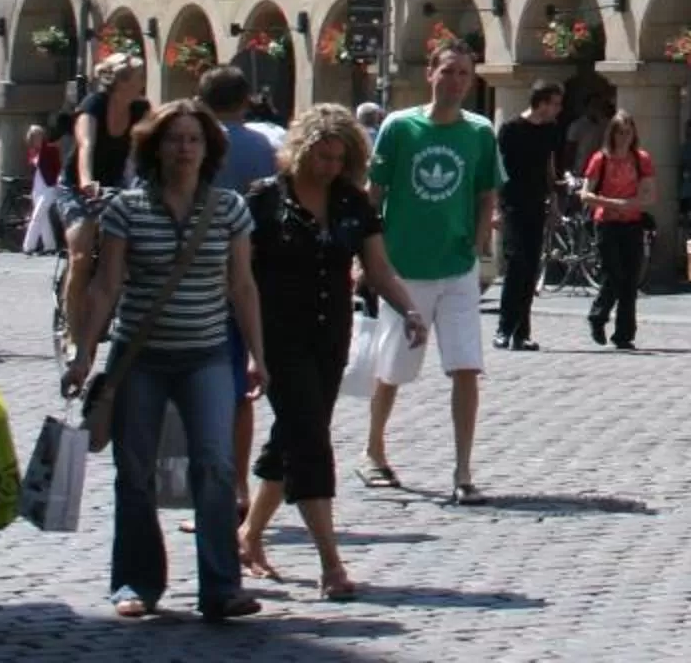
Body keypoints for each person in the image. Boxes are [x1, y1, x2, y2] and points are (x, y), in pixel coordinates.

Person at [63, 101, 265, 621]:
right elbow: (106, 286)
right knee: (134, 472)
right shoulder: (127, 209)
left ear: (208, 149)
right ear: (156, 147)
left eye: (193, 139)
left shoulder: (228, 209)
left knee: (216, 468)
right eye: (174, 139)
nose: (184, 148)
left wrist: (257, 356)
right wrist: (84, 351)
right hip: (141, 358)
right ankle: (135, 581)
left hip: (207, 355)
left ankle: (220, 587)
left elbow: (242, 286)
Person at [239, 105, 425, 600]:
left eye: (338, 159)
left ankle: (249, 537)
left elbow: (379, 269)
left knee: (298, 433)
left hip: (330, 335)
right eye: (321, 157)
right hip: (277, 334)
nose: (328, 167)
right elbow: (239, 281)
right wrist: (249, 348)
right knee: (310, 440)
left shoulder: (351, 202)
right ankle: (331, 565)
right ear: (301, 150)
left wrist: (408, 310)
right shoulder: (262, 201)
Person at [362, 39, 500, 503]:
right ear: (431, 74)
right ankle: (374, 449)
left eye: (465, 74)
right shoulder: (400, 128)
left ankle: (463, 471)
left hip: (456, 265)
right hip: (405, 269)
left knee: (465, 366)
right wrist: (367, 257)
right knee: (394, 367)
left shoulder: (480, 132)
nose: (457, 82)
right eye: (449, 72)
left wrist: (481, 249)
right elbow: (374, 195)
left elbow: (486, 194)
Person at [200, 65, 282, 497]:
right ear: (245, 99)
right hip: (249, 275)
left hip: (199, 279)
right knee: (239, 391)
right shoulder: (263, 146)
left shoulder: (196, 143)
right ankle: (237, 489)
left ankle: (209, 489)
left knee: (202, 388)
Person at [60, 51, 150, 358]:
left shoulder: (141, 109)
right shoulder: (93, 105)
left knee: (128, 252)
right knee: (82, 254)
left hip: (119, 187)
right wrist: (86, 180)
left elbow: (148, 148)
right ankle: (73, 335)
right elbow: (86, 145)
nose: (143, 83)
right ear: (121, 82)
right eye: (139, 77)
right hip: (78, 187)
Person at [494, 81, 565, 351]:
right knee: (517, 263)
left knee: (531, 267)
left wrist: (554, 202)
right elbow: (497, 170)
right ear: (542, 102)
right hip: (512, 203)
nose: (558, 109)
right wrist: (495, 208)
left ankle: (521, 332)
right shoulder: (511, 129)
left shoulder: (549, 130)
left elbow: (550, 166)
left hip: (537, 204)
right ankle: (504, 327)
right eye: (555, 103)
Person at [582, 108, 658, 350]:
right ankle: (598, 316)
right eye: (619, 133)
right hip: (606, 223)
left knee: (630, 280)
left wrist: (632, 204)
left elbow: (650, 195)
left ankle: (624, 334)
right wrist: (613, 204)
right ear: (612, 134)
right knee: (613, 275)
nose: (624, 137)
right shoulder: (600, 159)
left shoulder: (641, 159)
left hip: (632, 223)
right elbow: (586, 194)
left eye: (628, 132)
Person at [19, 122, 66, 255]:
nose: (37, 138)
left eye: (39, 135)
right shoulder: (32, 152)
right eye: (34, 136)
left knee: (36, 215)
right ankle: (50, 246)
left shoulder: (51, 149)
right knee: (43, 218)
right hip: (37, 187)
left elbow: (57, 167)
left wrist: (58, 182)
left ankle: (28, 246)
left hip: (50, 186)